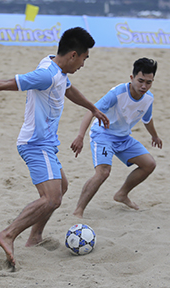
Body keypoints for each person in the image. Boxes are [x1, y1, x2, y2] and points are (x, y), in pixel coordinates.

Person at [0, 27, 110, 267]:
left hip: (46, 143)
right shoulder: (46, 74)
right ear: (74, 54)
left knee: (61, 187)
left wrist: (92, 108)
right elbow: (8, 83)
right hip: (35, 144)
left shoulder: (57, 68)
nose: (84, 64)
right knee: (52, 199)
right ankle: (8, 234)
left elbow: (68, 89)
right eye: (85, 58)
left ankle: (35, 237)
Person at [70, 57, 162, 216]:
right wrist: (80, 136)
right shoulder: (117, 93)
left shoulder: (148, 99)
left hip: (123, 138)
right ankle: (78, 211)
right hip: (103, 135)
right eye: (141, 81)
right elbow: (92, 111)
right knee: (103, 172)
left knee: (149, 164)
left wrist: (155, 136)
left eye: (149, 82)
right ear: (132, 78)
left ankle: (122, 194)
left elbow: (147, 119)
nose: (144, 86)